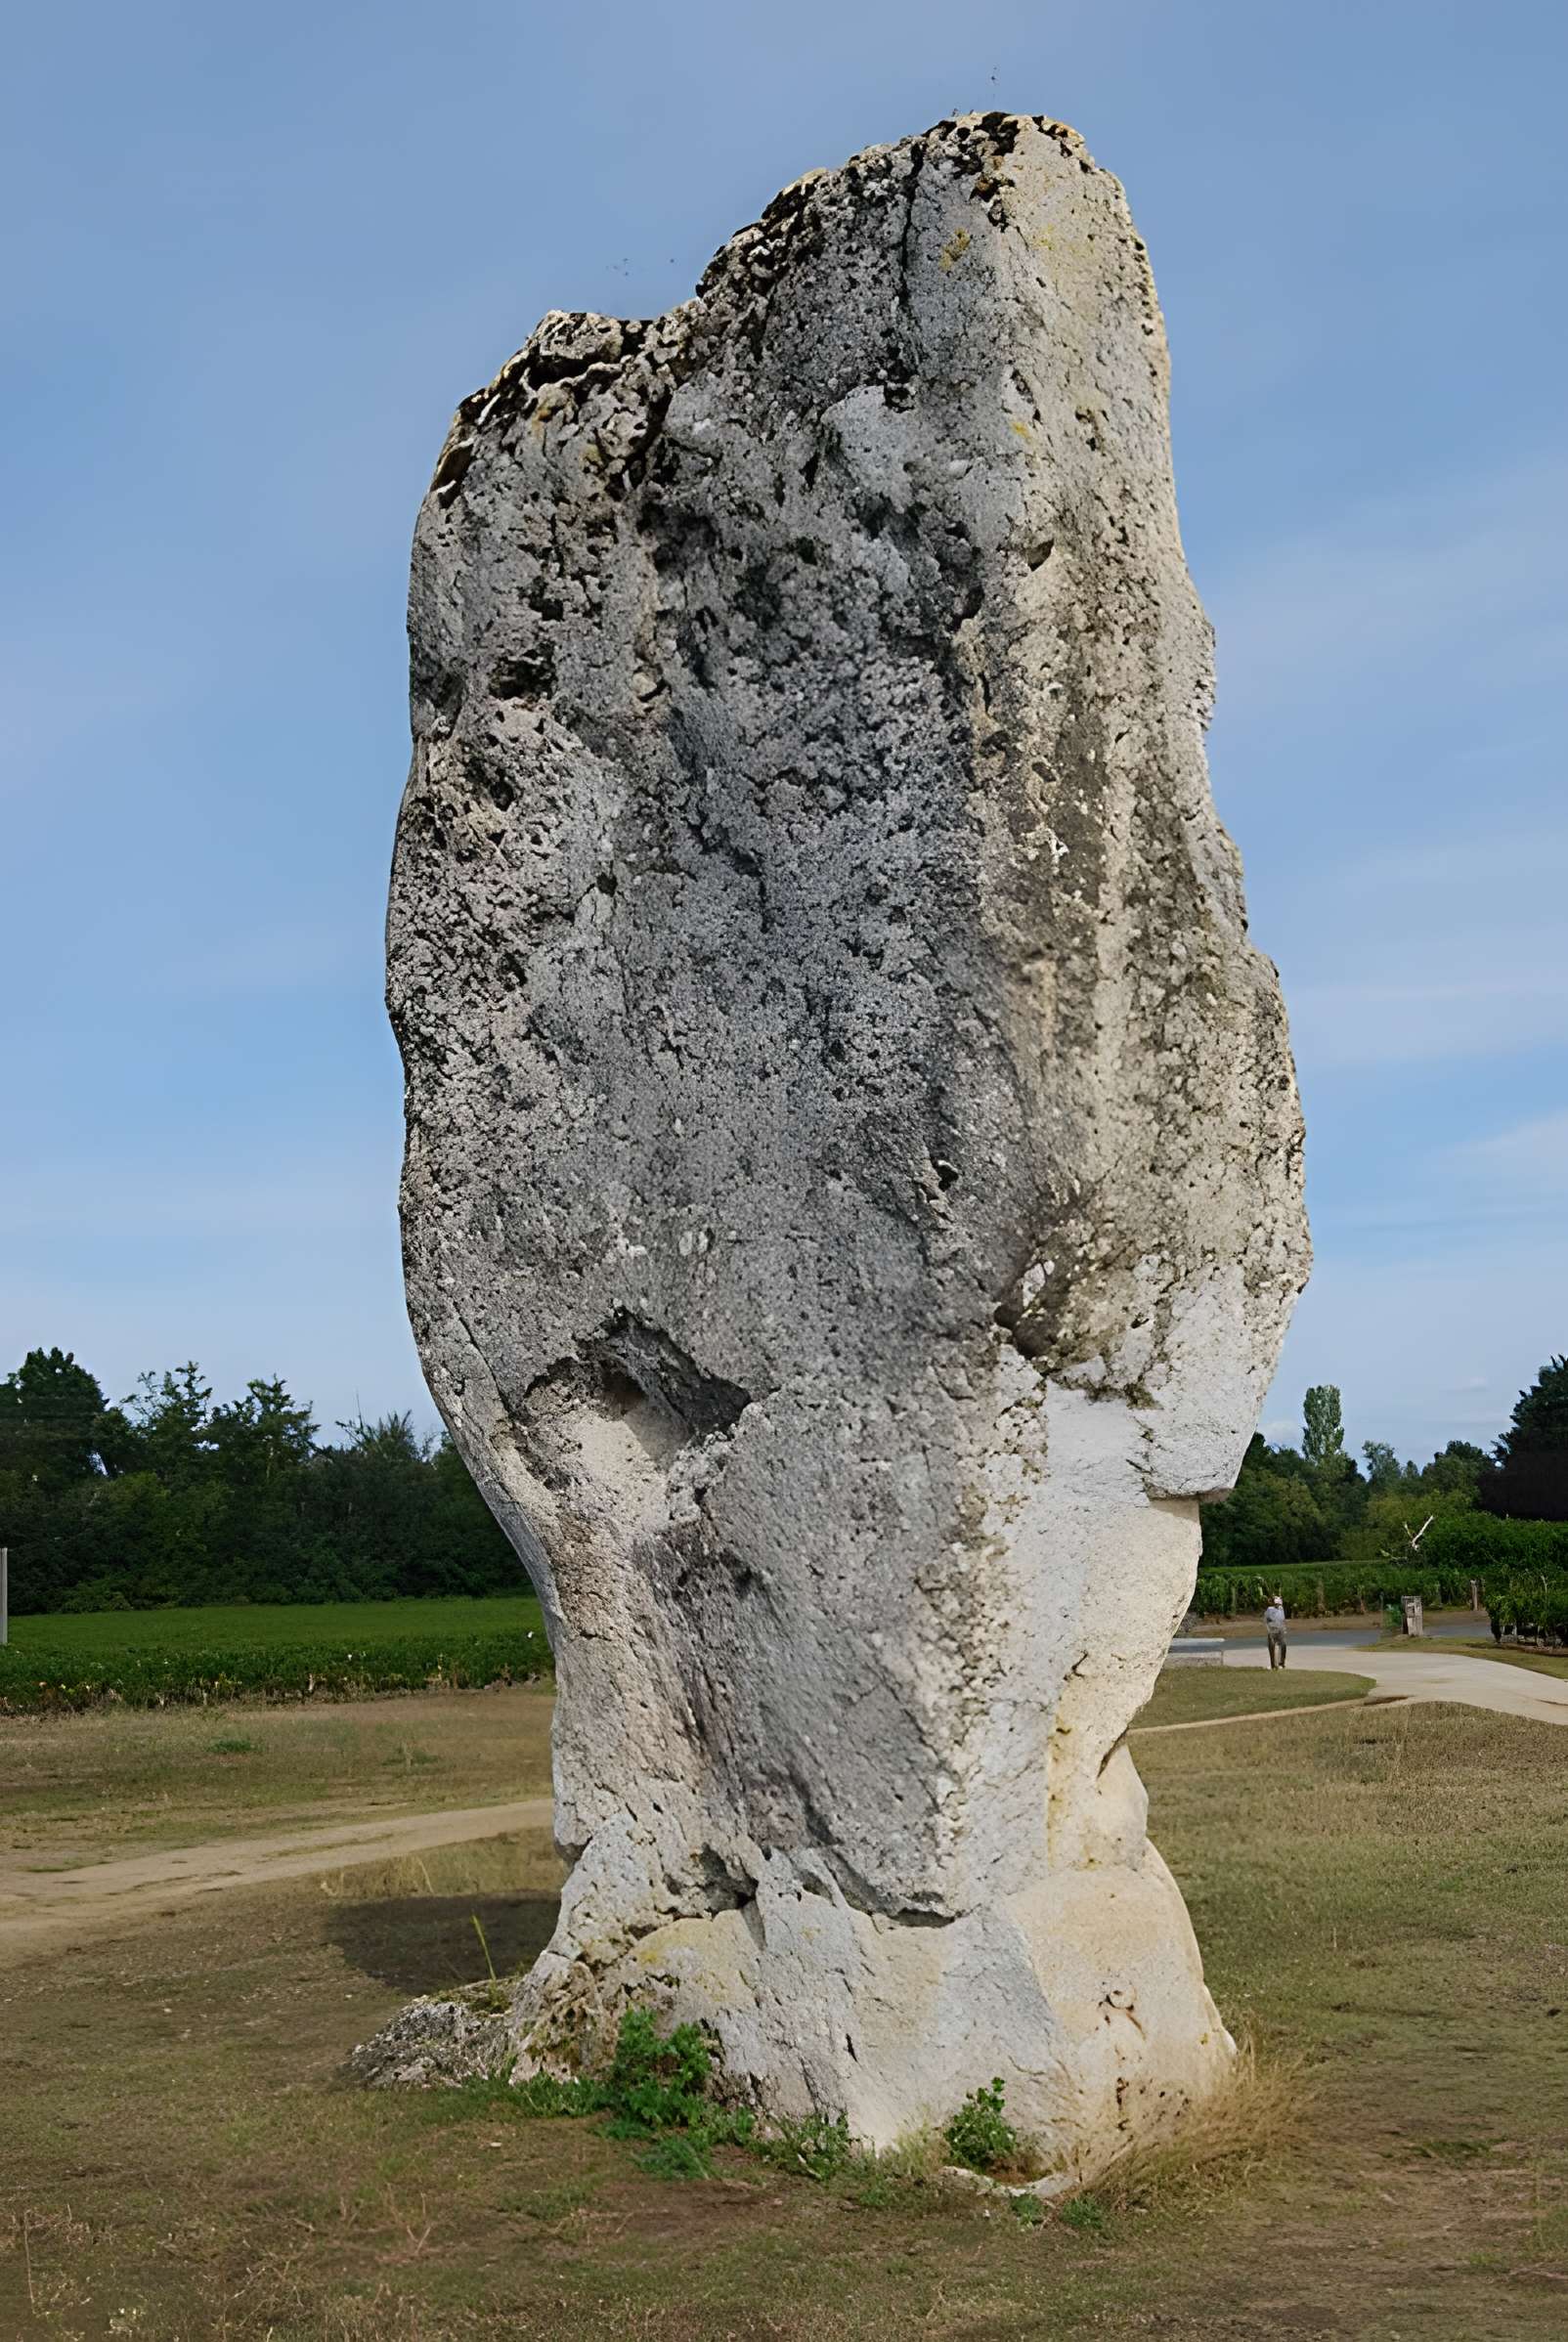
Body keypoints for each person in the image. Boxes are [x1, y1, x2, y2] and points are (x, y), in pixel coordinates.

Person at [1264, 1595, 1287, 1669]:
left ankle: (1281, 1664)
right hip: (1272, 1630)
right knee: (1271, 1647)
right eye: (1277, 1604)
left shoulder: (1281, 1609)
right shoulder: (1269, 1609)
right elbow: (1266, 1620)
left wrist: (1284, 1628)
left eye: (1279, 1604)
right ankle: (1273, 1665)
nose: (1278, 1605)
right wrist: (1269, 1630)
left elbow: (1283, 1620)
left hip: (1280, 1630)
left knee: (1283, 1645)